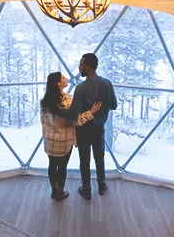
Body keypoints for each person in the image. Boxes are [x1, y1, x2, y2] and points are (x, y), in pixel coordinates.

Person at [59, 53, 117, 200]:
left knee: (84, 161)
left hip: (84, 130)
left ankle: (86, 189)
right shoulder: (107, 83)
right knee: (99, 157)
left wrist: (59, 110)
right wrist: (101, 108)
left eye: (81, 64)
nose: (79, 67)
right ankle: (102, 185)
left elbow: (74, 113)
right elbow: (113, 105)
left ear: (88, 67)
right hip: (99, 128)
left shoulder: (81, 88)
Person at [40, 72, 101, 201]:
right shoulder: (67, 101)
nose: (66, 78)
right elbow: (75, 121)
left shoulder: (44, 101)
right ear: (58, 83)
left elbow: (44, 121)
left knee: (52, 165)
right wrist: (91, 112)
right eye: (63, 78)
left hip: (50, 140)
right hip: (64, 140)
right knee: (62, 167)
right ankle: (60, 192)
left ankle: (54, 191)